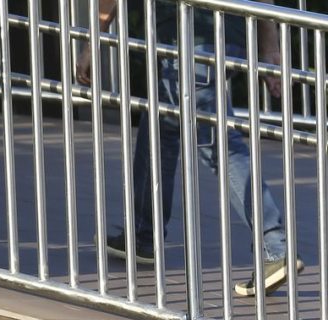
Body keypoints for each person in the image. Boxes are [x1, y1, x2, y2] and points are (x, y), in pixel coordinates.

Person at [77, 0, 304, 296]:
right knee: (160, 127)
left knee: (218, 144)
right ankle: (144, 236)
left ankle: (275, 248)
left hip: (189, 33)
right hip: (226, 32)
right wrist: (269, 46)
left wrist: (94, 37)